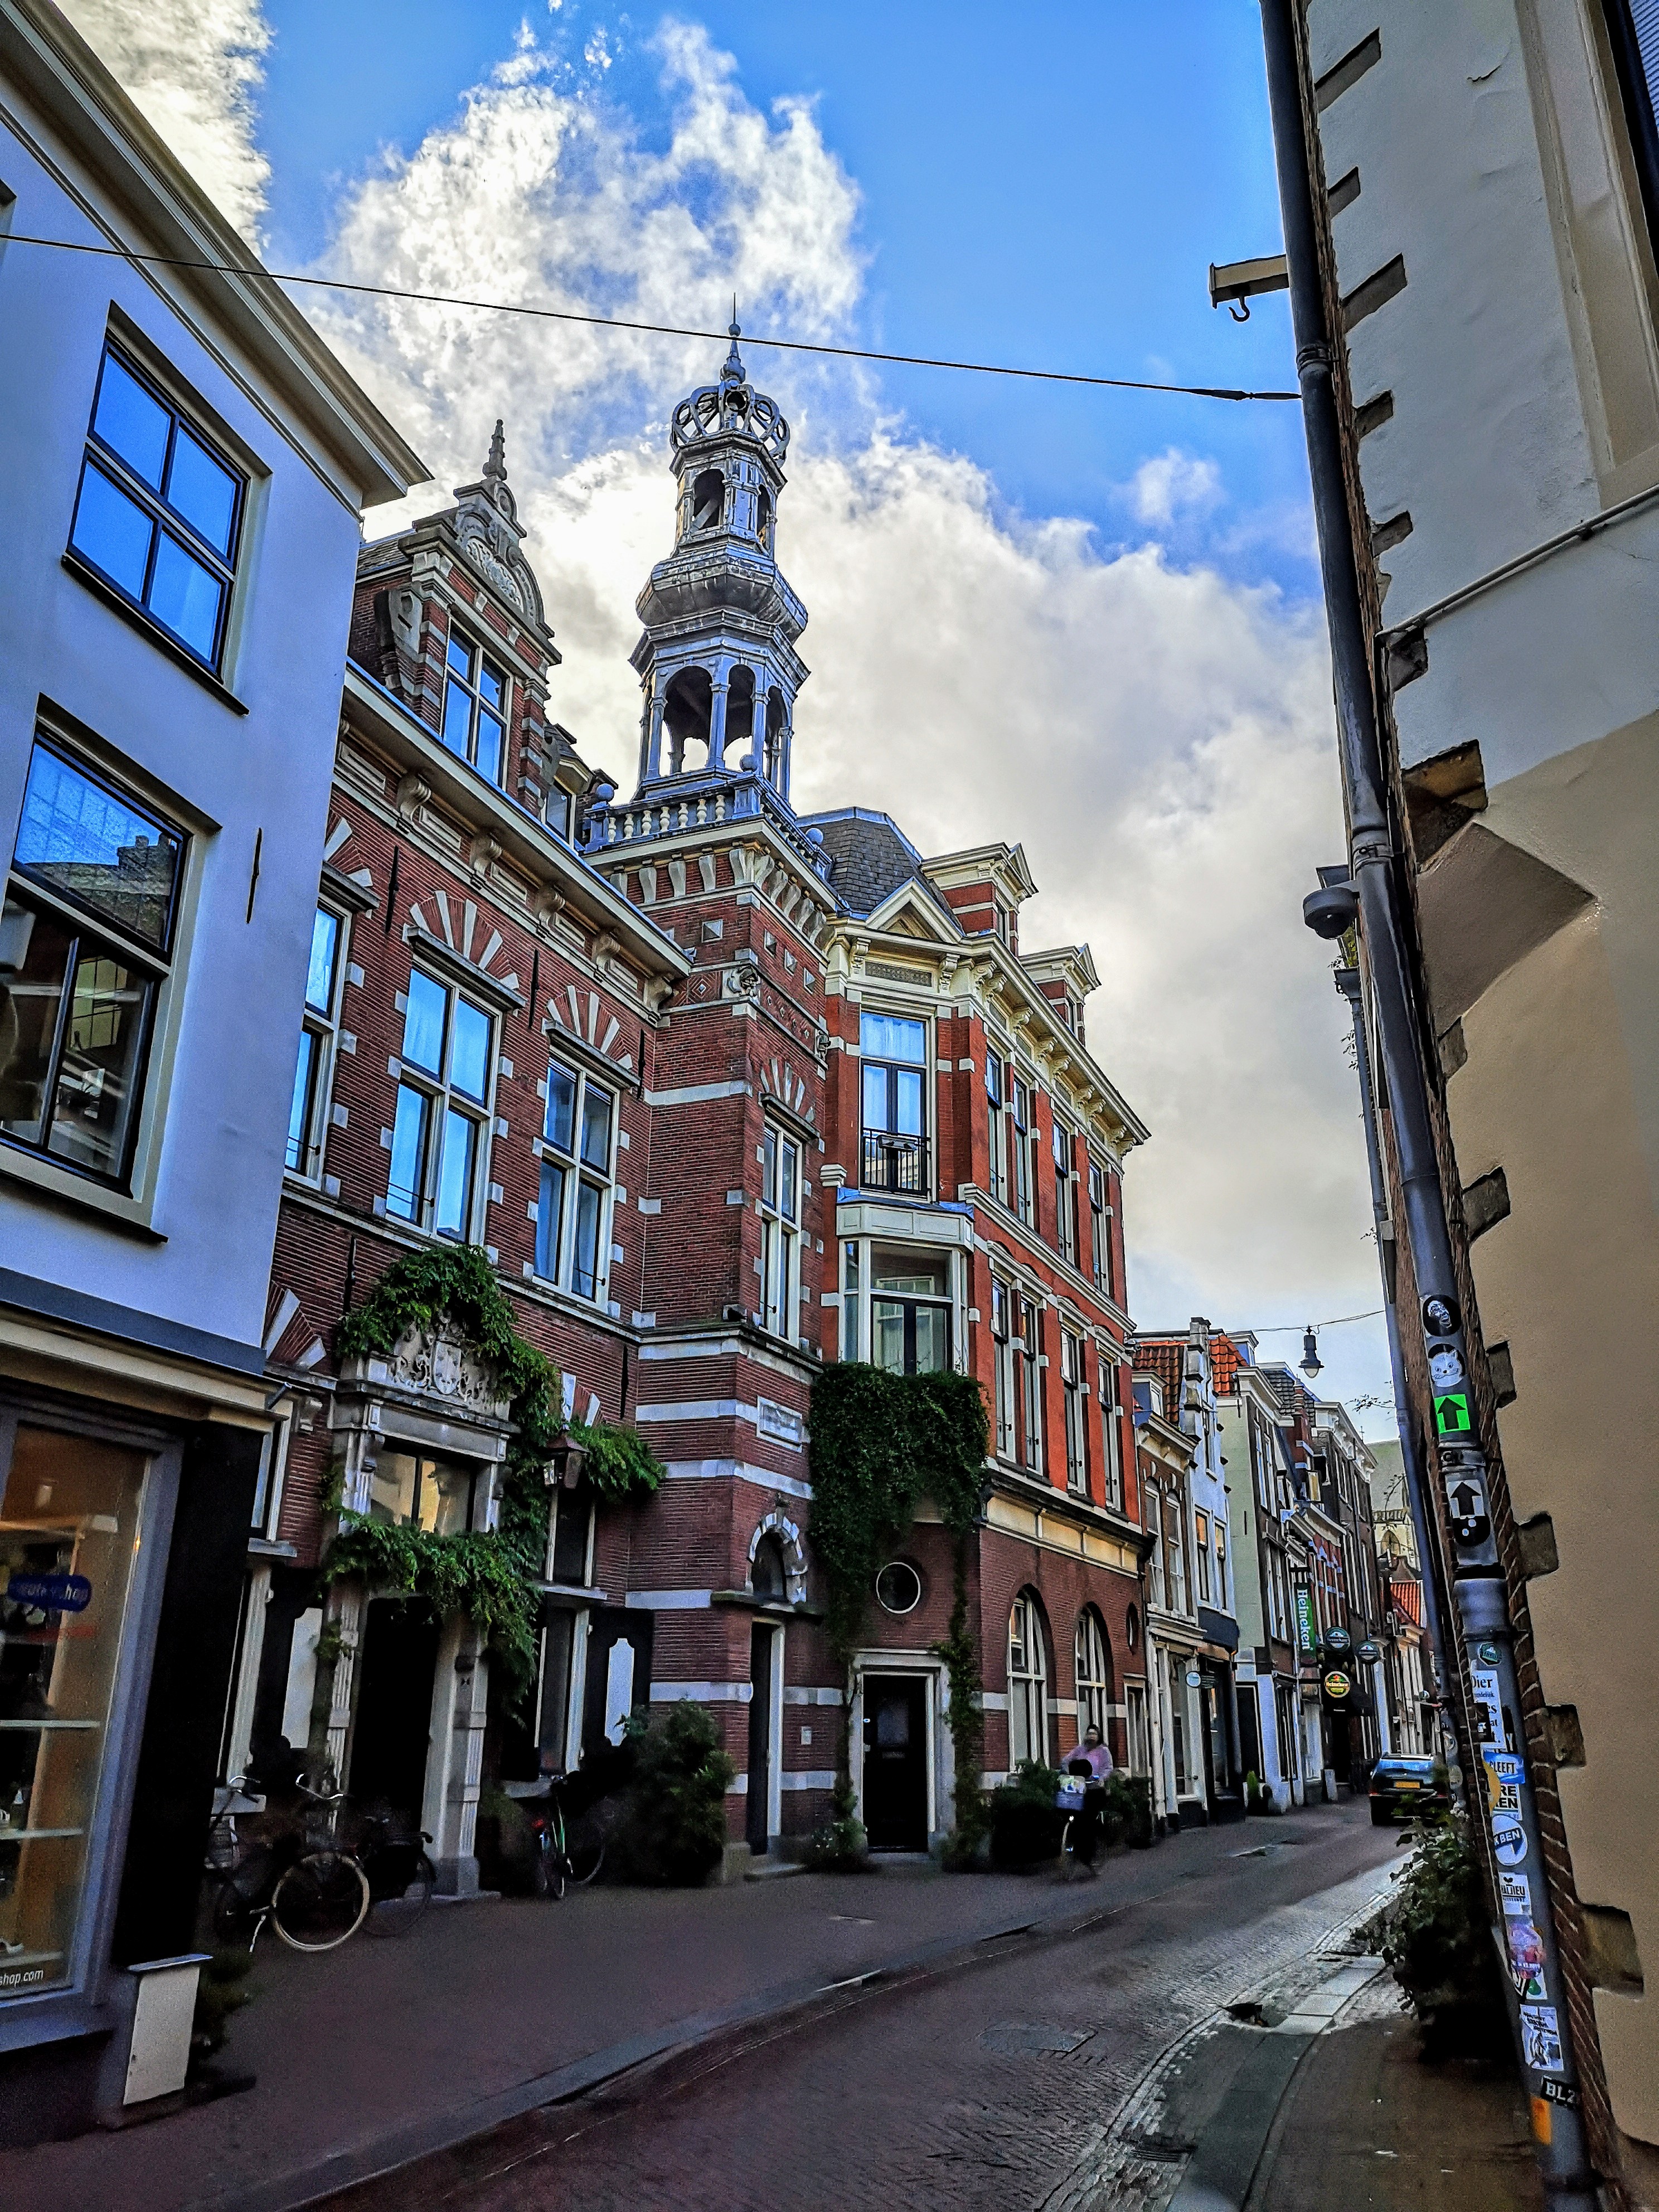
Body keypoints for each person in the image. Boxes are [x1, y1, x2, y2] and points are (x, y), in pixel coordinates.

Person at [1063, 1725, 1114, 1868]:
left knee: (1088, 1818)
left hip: (1096, 1790)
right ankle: (1072, 1846)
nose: (1090, 1739)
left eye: (1094, 1736)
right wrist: (1067, 1772)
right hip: (1080, 1788)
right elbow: (1066, 1760)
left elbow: (1108, 1768)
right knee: (1071, 1814)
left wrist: (1102, 1778)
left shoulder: (1103, 1751)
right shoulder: (1080, 1750)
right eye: (1089, 1736)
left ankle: (1090, 1853)